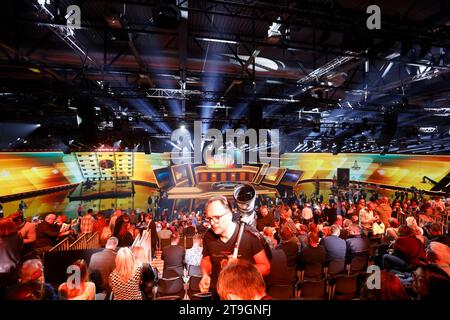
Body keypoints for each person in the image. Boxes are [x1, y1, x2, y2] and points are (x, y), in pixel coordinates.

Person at [199, 196, 270, 296]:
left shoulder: (249, 235)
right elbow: (206, 259)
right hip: (218, 294)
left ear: (229, 215)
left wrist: (241, 268)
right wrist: (205, 275)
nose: (212, 223)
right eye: (209, 218)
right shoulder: (208, 236)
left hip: (244, 295)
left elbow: (265, 267)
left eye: (217, 217)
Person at [0, 218, 23, 290]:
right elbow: (21, 248)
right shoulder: (18, 235)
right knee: (13, 289)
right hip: (15, 267)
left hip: (1, 270)